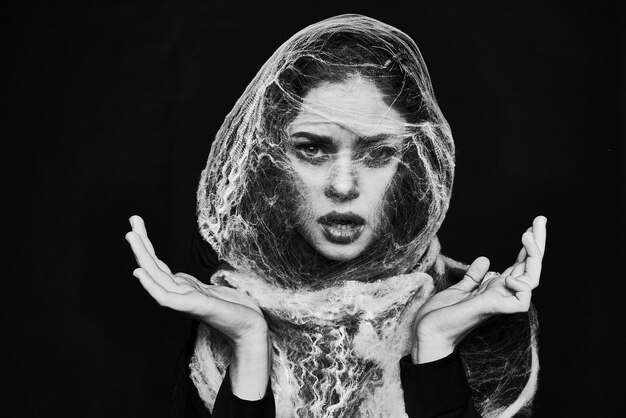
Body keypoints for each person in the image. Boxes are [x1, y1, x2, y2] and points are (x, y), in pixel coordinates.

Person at [125, 14, 546, 417]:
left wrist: (433, 347)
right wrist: (249, 343)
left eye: (378, 153)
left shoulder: (480, 320)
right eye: (311, 148)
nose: (343, 186)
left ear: (412, 167)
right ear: (269, 161)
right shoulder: (218, 323)